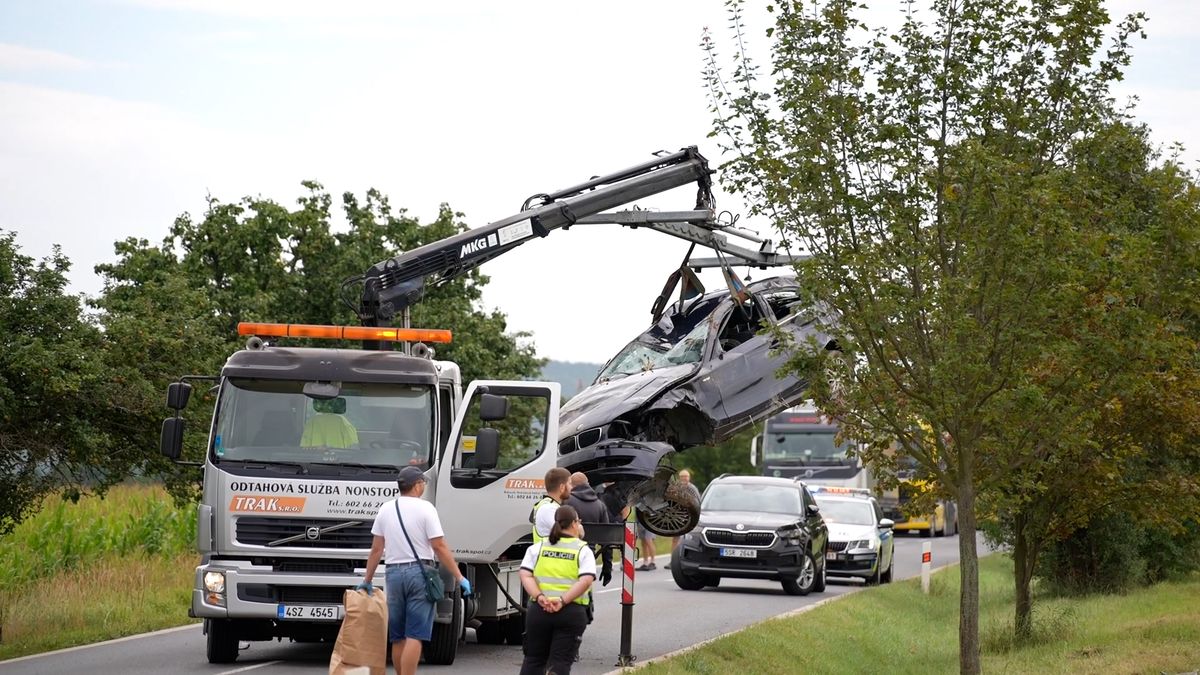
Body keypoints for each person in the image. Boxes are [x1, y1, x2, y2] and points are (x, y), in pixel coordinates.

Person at [358, 466, 471, 675]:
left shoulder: (386, 508)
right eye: (423, 483)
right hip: (420, 574)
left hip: (393, 574)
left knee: (398, 636)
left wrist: (367, 579)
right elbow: (439, 546)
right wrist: (459, 576)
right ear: (417, 485)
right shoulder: (426, 509)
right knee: (415, 635)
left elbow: (376, 550)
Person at [519, 505, 595, 675]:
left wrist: (539, 597)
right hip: (570, 612)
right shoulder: (583, 550)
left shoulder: (538, 548)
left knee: (533, 660)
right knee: (560, 663)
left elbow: (525, 575)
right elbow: (586, 580)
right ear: (575, 524)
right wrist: (562, 601)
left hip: (539, 611)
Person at [565, 472, 613, 587]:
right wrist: (607, 568)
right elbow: (606, 540)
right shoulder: (600, 505)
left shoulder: (566, 502)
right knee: (584, 593)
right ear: (588, 484)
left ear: (571, 485)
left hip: (568, 556)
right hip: (589, 558)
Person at [531, 467, 572, 543]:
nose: (571, 487)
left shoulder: (549, 505)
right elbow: (569, 534)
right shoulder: (548, 508)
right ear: (562, 487)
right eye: (570, 483)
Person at [672, 469, 702, 550]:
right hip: (677, 515)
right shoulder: (675, 487)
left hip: (689, 515)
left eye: (686, 476)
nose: (684, 478)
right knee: (675, 538)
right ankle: (674, 557)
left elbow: (698, 501)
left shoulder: (692, 488)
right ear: (679, 478)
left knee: (687, 538)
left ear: (689, 478)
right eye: (682, 476)